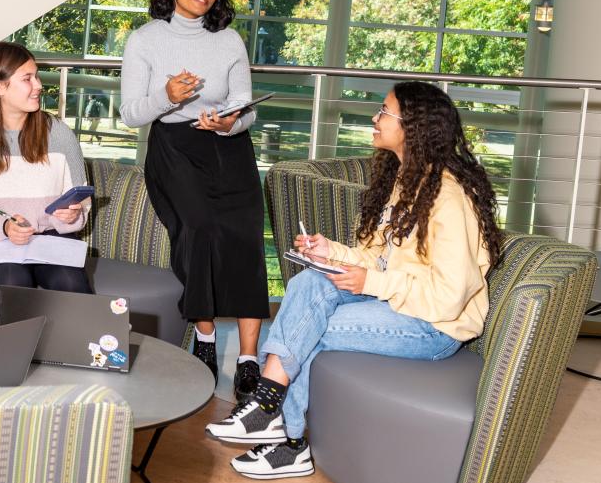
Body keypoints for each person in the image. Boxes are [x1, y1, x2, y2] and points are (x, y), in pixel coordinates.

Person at [206, 81, 504, 480]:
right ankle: (271, 410)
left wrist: (370, 284)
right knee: (308, 284)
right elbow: (381, 257)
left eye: (384, 112)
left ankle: (284, 434)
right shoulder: (408, 180)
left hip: (433, 326)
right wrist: (331, 252)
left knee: (312, 327)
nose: (374, 118)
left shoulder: (449, 198)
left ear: (413, 127)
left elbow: (448, 297)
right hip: (398, 305)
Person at [119, 0, 272, 403]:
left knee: (244, 238)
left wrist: (231, 123)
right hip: (174, 149)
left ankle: (248, 358)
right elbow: (131, 115)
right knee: (199, 231)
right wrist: (166, 97)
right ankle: (204, 338)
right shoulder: (144, 40)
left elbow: (246, 106)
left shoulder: (229, 40)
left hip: (229, 148)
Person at [0, 41, 93, 320]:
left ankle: (81, 359)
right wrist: (5, 227)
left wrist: (71, 214)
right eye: (27, 78)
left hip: (51, 237)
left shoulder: (59, 134)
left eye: (37, 76)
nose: (38, 85)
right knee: (13, 282)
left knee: (70, 283)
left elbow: (80, 201)